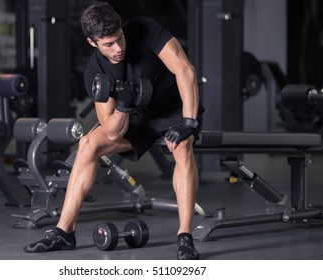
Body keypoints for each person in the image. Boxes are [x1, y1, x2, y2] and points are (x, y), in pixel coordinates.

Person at [23, 1, 204, 260]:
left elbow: (185, 70)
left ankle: (184, 236)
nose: (118, 48)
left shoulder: (144, 29)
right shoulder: (96, 72)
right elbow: (112, 132)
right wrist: (124, 104)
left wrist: (188, 122)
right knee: (88, 144)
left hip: (176, 109)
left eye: (119, 38)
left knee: (182, 146)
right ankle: (64, 232)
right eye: (108, 44)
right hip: (137, 117)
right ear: (92, 43)